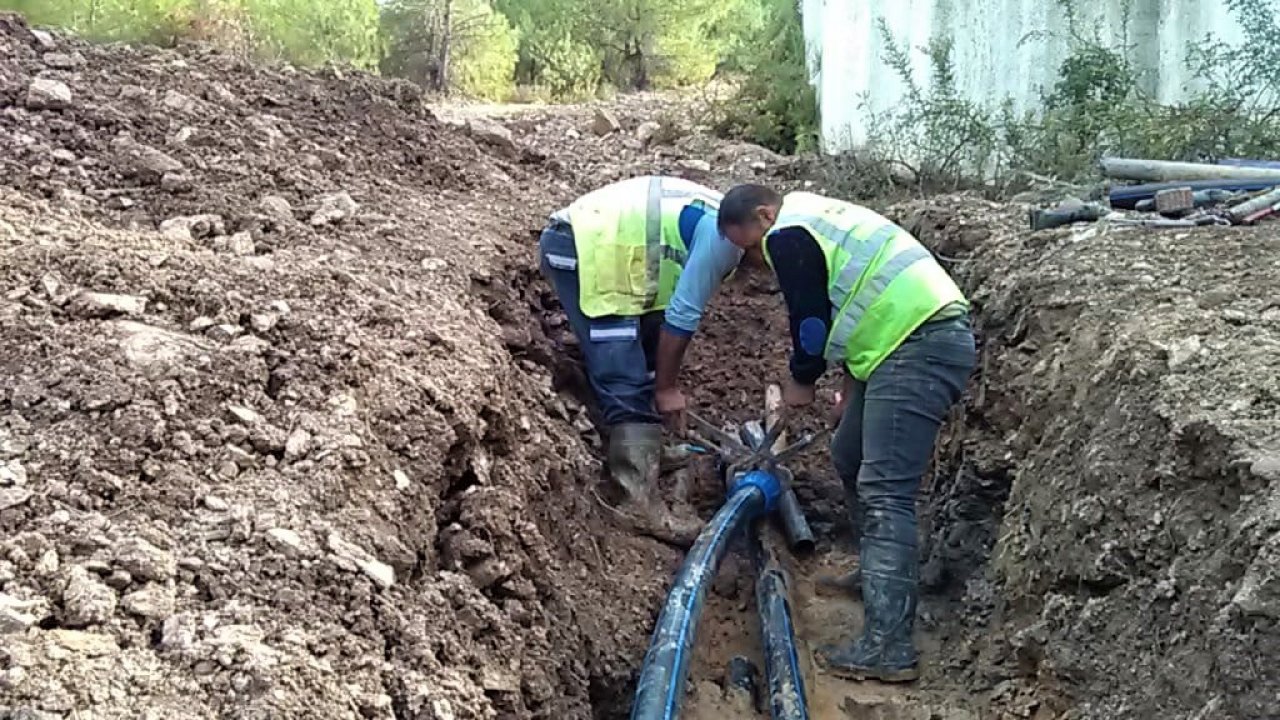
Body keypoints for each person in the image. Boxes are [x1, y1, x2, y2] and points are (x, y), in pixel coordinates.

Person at [714, 183, 976, 683]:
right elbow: (859, 303)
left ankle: (889, 646)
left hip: (920, 344)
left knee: (884, 490)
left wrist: (802, 378)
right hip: (899, 344)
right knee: (848, 454)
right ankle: (878, 577)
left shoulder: (787, 234)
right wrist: (851, 391)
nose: (758, 262)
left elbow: (811, 321)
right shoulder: (815, 219)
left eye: (751, 248)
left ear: (764, 216)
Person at [538, 176, 743, 546]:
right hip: (587, 247)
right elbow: (683, 315)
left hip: (622, 255)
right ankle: (636, 499)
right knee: (621, 365)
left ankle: (646, 453)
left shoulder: (736, 218)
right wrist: (666, 389)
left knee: (647, 347)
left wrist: (663, 380)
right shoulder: (727, 240)